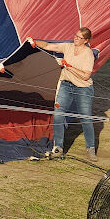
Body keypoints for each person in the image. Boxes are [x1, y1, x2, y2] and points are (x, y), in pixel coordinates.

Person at [28, 28, 96, 160]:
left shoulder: (88, 54)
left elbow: (86, 76)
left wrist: (68, 66)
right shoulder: (68, 47)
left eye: (79, 37)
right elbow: (48, 45)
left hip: (83, 88)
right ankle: (58, 148)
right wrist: (35, 41)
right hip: (66, 85)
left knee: (85, 118)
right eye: (75, 35)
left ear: (86, 40)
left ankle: (91, 148)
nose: (75, 38)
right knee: (58, 115)